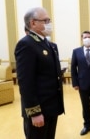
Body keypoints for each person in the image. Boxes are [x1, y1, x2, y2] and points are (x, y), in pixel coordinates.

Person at [14, 7, 64, 139]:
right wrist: (34, 112)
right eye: (45, 20)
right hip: (39, 110)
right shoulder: (26, 44)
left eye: (49, 20)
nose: (49, 23)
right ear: (33, 23)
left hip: (51, 107)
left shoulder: (50, 45)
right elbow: (26, 82)